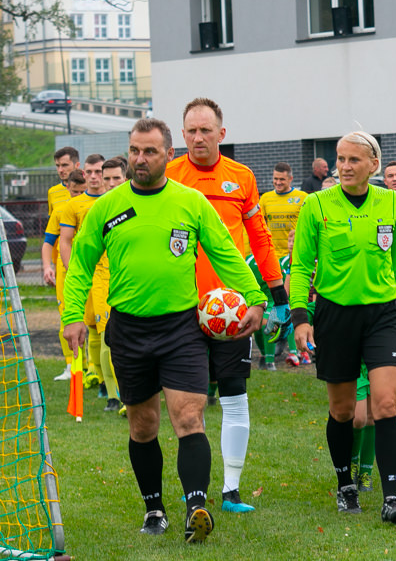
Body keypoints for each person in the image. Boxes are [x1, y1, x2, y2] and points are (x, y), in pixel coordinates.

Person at [62, 117, 267, 543]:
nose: (140, 158)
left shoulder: (190, 202)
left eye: (150, 151)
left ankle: (197, 505)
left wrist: (255, 297)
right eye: (135, 150)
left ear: (167, 155)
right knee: (143, 426)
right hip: (129, 330)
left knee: (189, 417)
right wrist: (72, 317)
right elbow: (81, 263)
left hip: (181, 328)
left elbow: (226, 253)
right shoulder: (106, 206)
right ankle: (154, 508)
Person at [166, 97, 291, 514]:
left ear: (222, 133)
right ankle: (195, 487)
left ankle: (232, 490)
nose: (198, 137)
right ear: (182, 135)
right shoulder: (168, 177)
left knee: (235, 394)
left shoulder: (241, 177)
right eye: (191, 131)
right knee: (190, 401)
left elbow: (260, 238)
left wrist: (277, 297)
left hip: (233, 309)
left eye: (206, 130)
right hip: (183, 309)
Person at [290, 130, 396, 524]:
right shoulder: (316, 205)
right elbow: (299, 265)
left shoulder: (392, 201)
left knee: (384, 404)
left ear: (373, 165)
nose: (343, 167)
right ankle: (346, 483)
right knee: (344, 410)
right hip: (335, 316)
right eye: (339, 159)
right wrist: (300, 316)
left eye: (353, 160)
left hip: (384, 315)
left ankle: (391, 497)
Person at [59, 153, 106, 394]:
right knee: (91, 325)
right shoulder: (73, 205)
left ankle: (107, 381)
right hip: (89, 273)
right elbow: (65, 241)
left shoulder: (115, 200)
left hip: (113, 274)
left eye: (100, 172)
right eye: (90, 172)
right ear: (83, 174)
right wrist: (73, 271)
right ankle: (95, 373)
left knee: (109, 326)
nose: (95, 177)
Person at [92, 156, 130, 413]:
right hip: (104, 283)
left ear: (126, 178)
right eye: (107, 179)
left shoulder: (138, 205)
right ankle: (113, 396)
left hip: (133, 284)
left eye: (116, 177)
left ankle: (133, 394)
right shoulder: (98, 210)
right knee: (108, 340)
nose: (111, 183)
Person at [41, 170, 87, 381]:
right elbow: (49, 240)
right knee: (67, 316)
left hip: (93, 268)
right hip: (66, 270)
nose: (78, 195)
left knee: (95, 321)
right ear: (67, 188)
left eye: (82, 191)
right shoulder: (60, 210)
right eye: (74, 191)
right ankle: (73, 366)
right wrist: (47, 266)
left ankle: (95, 368)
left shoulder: (95, 206)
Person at [259, 162, 307, 259]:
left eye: (282, 179)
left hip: (294, 255)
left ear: (290, 179)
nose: (278, 182)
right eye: (275, 179)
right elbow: (260, 225)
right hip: (272, 255)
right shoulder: (265, 198)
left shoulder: (303, 197)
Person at [48, 146, 80, 216]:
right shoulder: (52, 192)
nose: (60, 170)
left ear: (77, 165)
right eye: (57, 166)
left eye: (64, 165)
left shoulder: (88, 189)